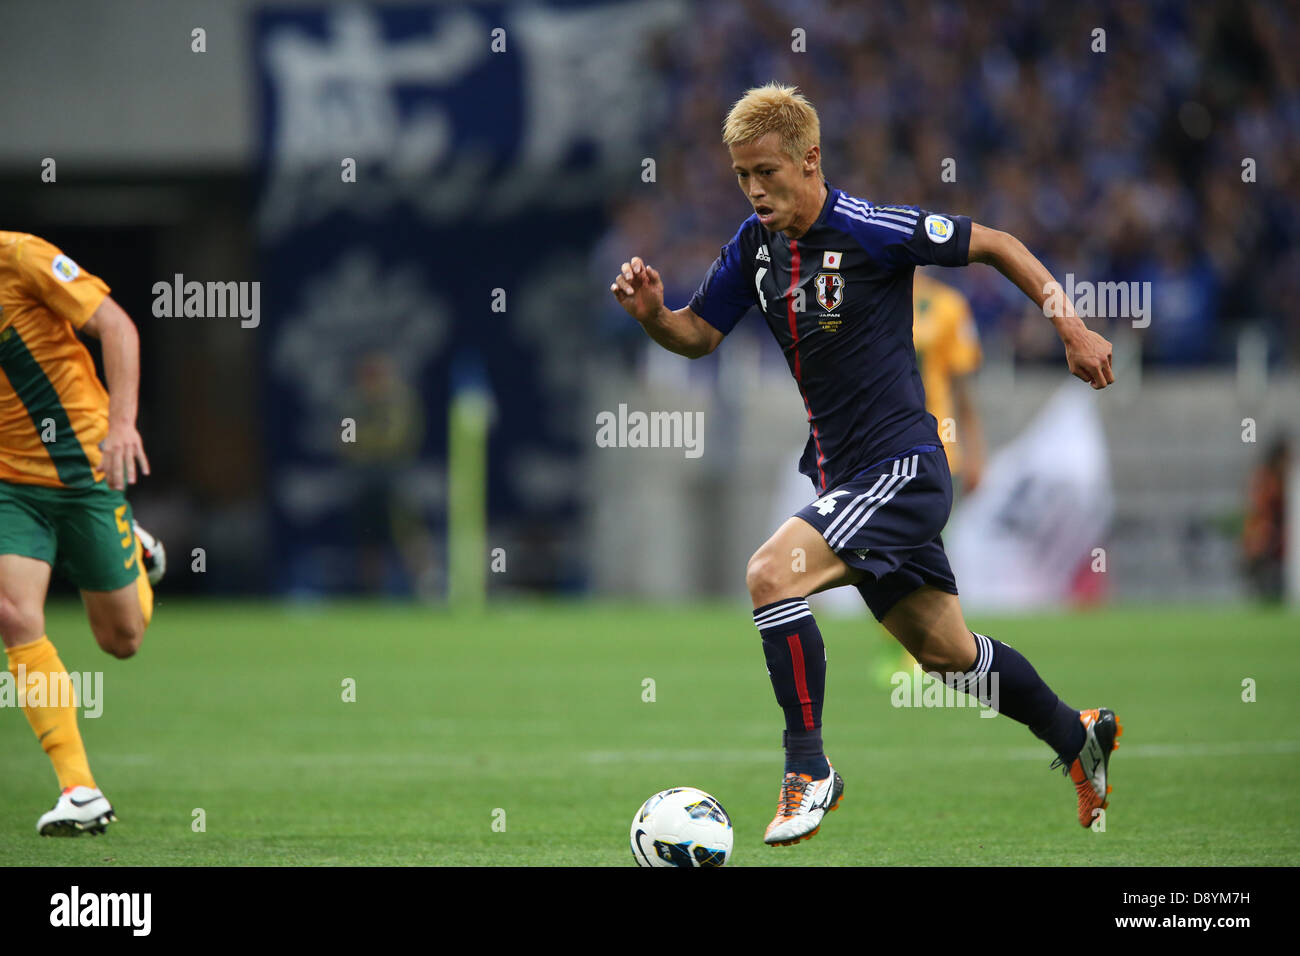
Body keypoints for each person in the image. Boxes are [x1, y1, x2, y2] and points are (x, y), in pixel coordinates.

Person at [610, 84, 1120, 847]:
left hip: (902, 470)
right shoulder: (754, 247)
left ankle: (807, 769)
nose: (754, 191)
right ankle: (1074, 733)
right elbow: (699, 334)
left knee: (770, 574)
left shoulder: (873, 231)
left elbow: (999, 244)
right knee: (947, 653)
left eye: (767, 173)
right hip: (843, 478)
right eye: (742, 177)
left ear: (810, 159)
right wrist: (655, 316)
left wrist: (1071, 327)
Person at [0, 231, 165, 836]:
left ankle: (136, 551)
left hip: (84, 468)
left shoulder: (20, 258)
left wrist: (123, 424)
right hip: (8, 484)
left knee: (121, 640)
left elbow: (118, 327)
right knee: (14, 615)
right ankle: (80, 789)